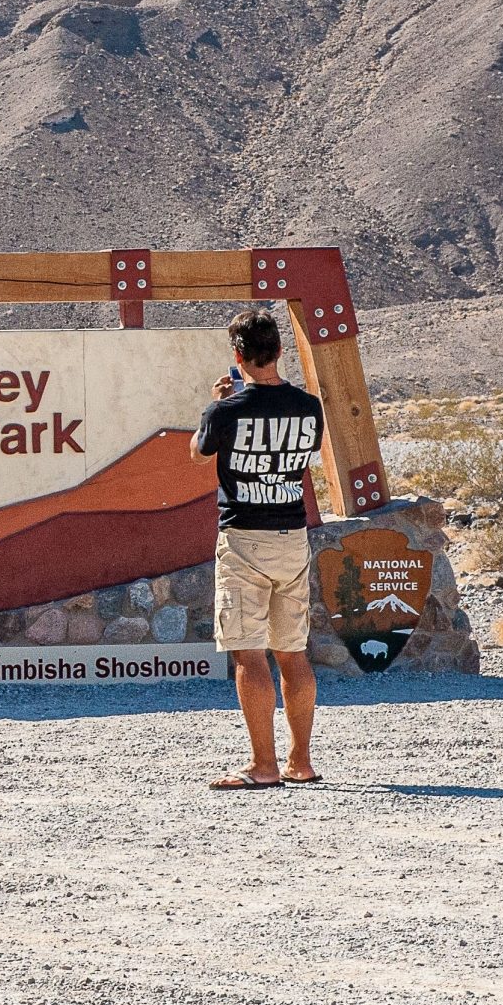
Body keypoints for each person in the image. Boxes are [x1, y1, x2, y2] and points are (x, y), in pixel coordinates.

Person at [193, 307, 327, 790]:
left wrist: (218, 403)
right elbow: (305, 457)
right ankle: (301, 761)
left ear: (238, 357)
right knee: (292, 653)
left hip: (245, 536)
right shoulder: (309, 407)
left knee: (249, 656)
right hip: (292, 536)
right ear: (279, 352)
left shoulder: (226, 410)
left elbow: (199, 451)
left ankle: (263, 765)